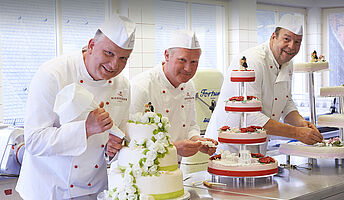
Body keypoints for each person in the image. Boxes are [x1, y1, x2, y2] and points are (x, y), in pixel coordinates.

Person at [16, 13, 135, 199]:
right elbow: (34, 141)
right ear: (91, 45)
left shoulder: (122, 85)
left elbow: (116, 135)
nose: (114, 65)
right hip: (50, 189)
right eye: (109, 53)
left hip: (94, 188)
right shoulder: (53, 74)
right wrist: (86, 128)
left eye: (123, 59)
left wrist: (114, 145)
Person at [205, 14, 323, 153]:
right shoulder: (253, 61)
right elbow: (250, 116)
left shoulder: (288, 64)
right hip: (229, 147)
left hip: (257, 144)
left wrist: (301, 123)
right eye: (287, 39)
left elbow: (286, 101)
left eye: (297, 42)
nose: (291, 46)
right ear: (273, 37)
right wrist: (296, 133)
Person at [130, 30, 217, 158]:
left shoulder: (189, 85)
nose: (188, 68)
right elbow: (131, 142)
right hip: (143, 172)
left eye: (194, 62)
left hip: (175, 168)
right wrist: (174, 147)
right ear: (167, 55)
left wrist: (196, 140)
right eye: (182, 60)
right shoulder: (141, 86)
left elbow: (191, 124)